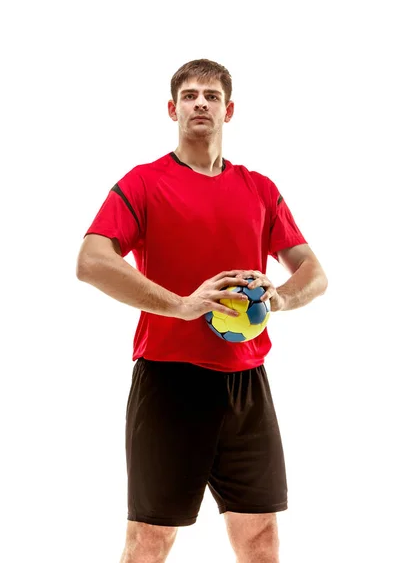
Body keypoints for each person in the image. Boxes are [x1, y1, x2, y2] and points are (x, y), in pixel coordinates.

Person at [76, 58, 328, 563]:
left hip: (247, 384)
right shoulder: (144, 183)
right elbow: (91, 260)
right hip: (170, 382)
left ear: (228, 111)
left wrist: (278, 296)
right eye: (190, 95)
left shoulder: (259, 188)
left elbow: (313, 273)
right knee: (150, 539)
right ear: (172, 109)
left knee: (261, 537)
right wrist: (181, 305)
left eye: (211, 96)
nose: (200, 104)